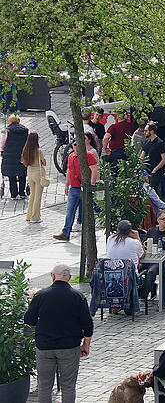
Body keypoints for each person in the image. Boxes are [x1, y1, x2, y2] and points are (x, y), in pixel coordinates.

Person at [24, 264, 93, 403]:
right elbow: (87, 324)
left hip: (45, 346)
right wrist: (86, 344)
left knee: (44, 386)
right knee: (68, 386)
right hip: (69, 347)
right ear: (70, 277)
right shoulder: (78, 296)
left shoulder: (41, 296)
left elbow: (29, 320)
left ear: (52, 276)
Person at [53, 134, 99, 241]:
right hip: (74, 187)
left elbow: (94, 170)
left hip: (84, 187)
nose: (76, 147)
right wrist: (67, 184)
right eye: (74, 145)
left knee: (87, 210)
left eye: (77, 145)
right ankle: (66, 233)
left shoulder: (89, 155)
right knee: (70, 211)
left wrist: (92, 184)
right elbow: (69, 170)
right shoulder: (71, 156)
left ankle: (88, 231)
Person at [20, 131, 46, 222]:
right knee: (38, 196)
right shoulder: (39, 151)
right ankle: (35, 217)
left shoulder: (25, 149)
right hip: (38, 173)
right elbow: (44, 163)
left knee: (32, 195)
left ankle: (29, 215)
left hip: (30, 172)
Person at [2, 114, 29, 199]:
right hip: (22, 155)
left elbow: (3, 142)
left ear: (10, 121)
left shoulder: (7, 130)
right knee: (22, 174)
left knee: (12, 175)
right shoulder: (25, 130)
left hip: (10, 155)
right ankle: (22, 193)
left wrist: (2, 150)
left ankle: (14, 194)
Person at [140, 121, 165, 198]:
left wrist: (155, 169)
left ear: (152, 131)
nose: (144, 132)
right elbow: (142, 156)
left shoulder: (159, 143)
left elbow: (164, 159)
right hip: (146, 170)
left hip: (155, 171)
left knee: (152, 191)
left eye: (146, 131)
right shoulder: (147, 142)